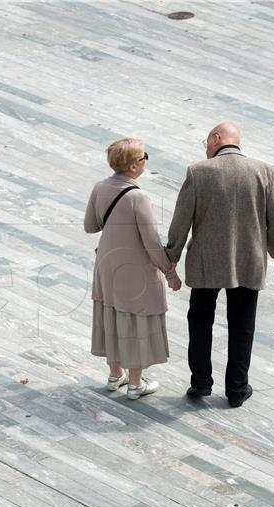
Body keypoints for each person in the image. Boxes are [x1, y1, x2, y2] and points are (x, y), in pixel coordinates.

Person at [165, 123, 274, 407]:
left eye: (206, 142)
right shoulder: (265, 171)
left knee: (200, 320)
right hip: (249, 259)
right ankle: (236, 389)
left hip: (207, 262)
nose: (206, 149)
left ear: (216, 139)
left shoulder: (198, 172)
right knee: (242, 325)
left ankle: (201, 383)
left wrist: (171, 255)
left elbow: (181, 220)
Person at [85, 138, 181, 400]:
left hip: (106, 264)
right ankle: (136, 384)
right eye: (143, 157)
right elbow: (151, 243)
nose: (146, 161)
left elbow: (90, 226)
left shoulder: (99, 187)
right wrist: (170, 273)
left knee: (111, 315)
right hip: (134, 271)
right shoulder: (138, 197)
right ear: (132, 166)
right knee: (134, 322)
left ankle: (115, 375)